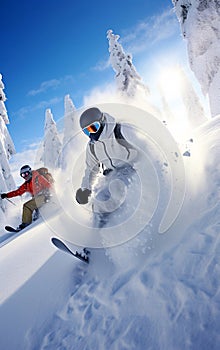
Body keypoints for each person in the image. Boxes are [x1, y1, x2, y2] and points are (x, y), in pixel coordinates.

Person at [75, 107, 139, 223]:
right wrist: (85, 189)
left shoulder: (121, 130)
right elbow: (91, 169)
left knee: (116, 190)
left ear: (103, 121)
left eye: (94, 128)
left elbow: (145, 147)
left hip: (134, 168)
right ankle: (99, 233)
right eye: (86, 131)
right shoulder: (92, 146)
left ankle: (128, 225)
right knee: (100, 201)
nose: (91, 133)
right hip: (115, 174)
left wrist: (145, 167)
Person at [1, 165, 52, 231]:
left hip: (45, 196)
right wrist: (6, 195)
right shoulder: (27, 184)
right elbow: (18, 192)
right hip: (38, 198)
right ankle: (34, 223)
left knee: (27, 206)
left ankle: (26, 224)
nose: (25, 176)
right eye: (22, 175)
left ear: (30, 172)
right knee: (35, 212)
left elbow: (49, 185)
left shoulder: (38, 178)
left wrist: (49, 194)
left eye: (26, 173)